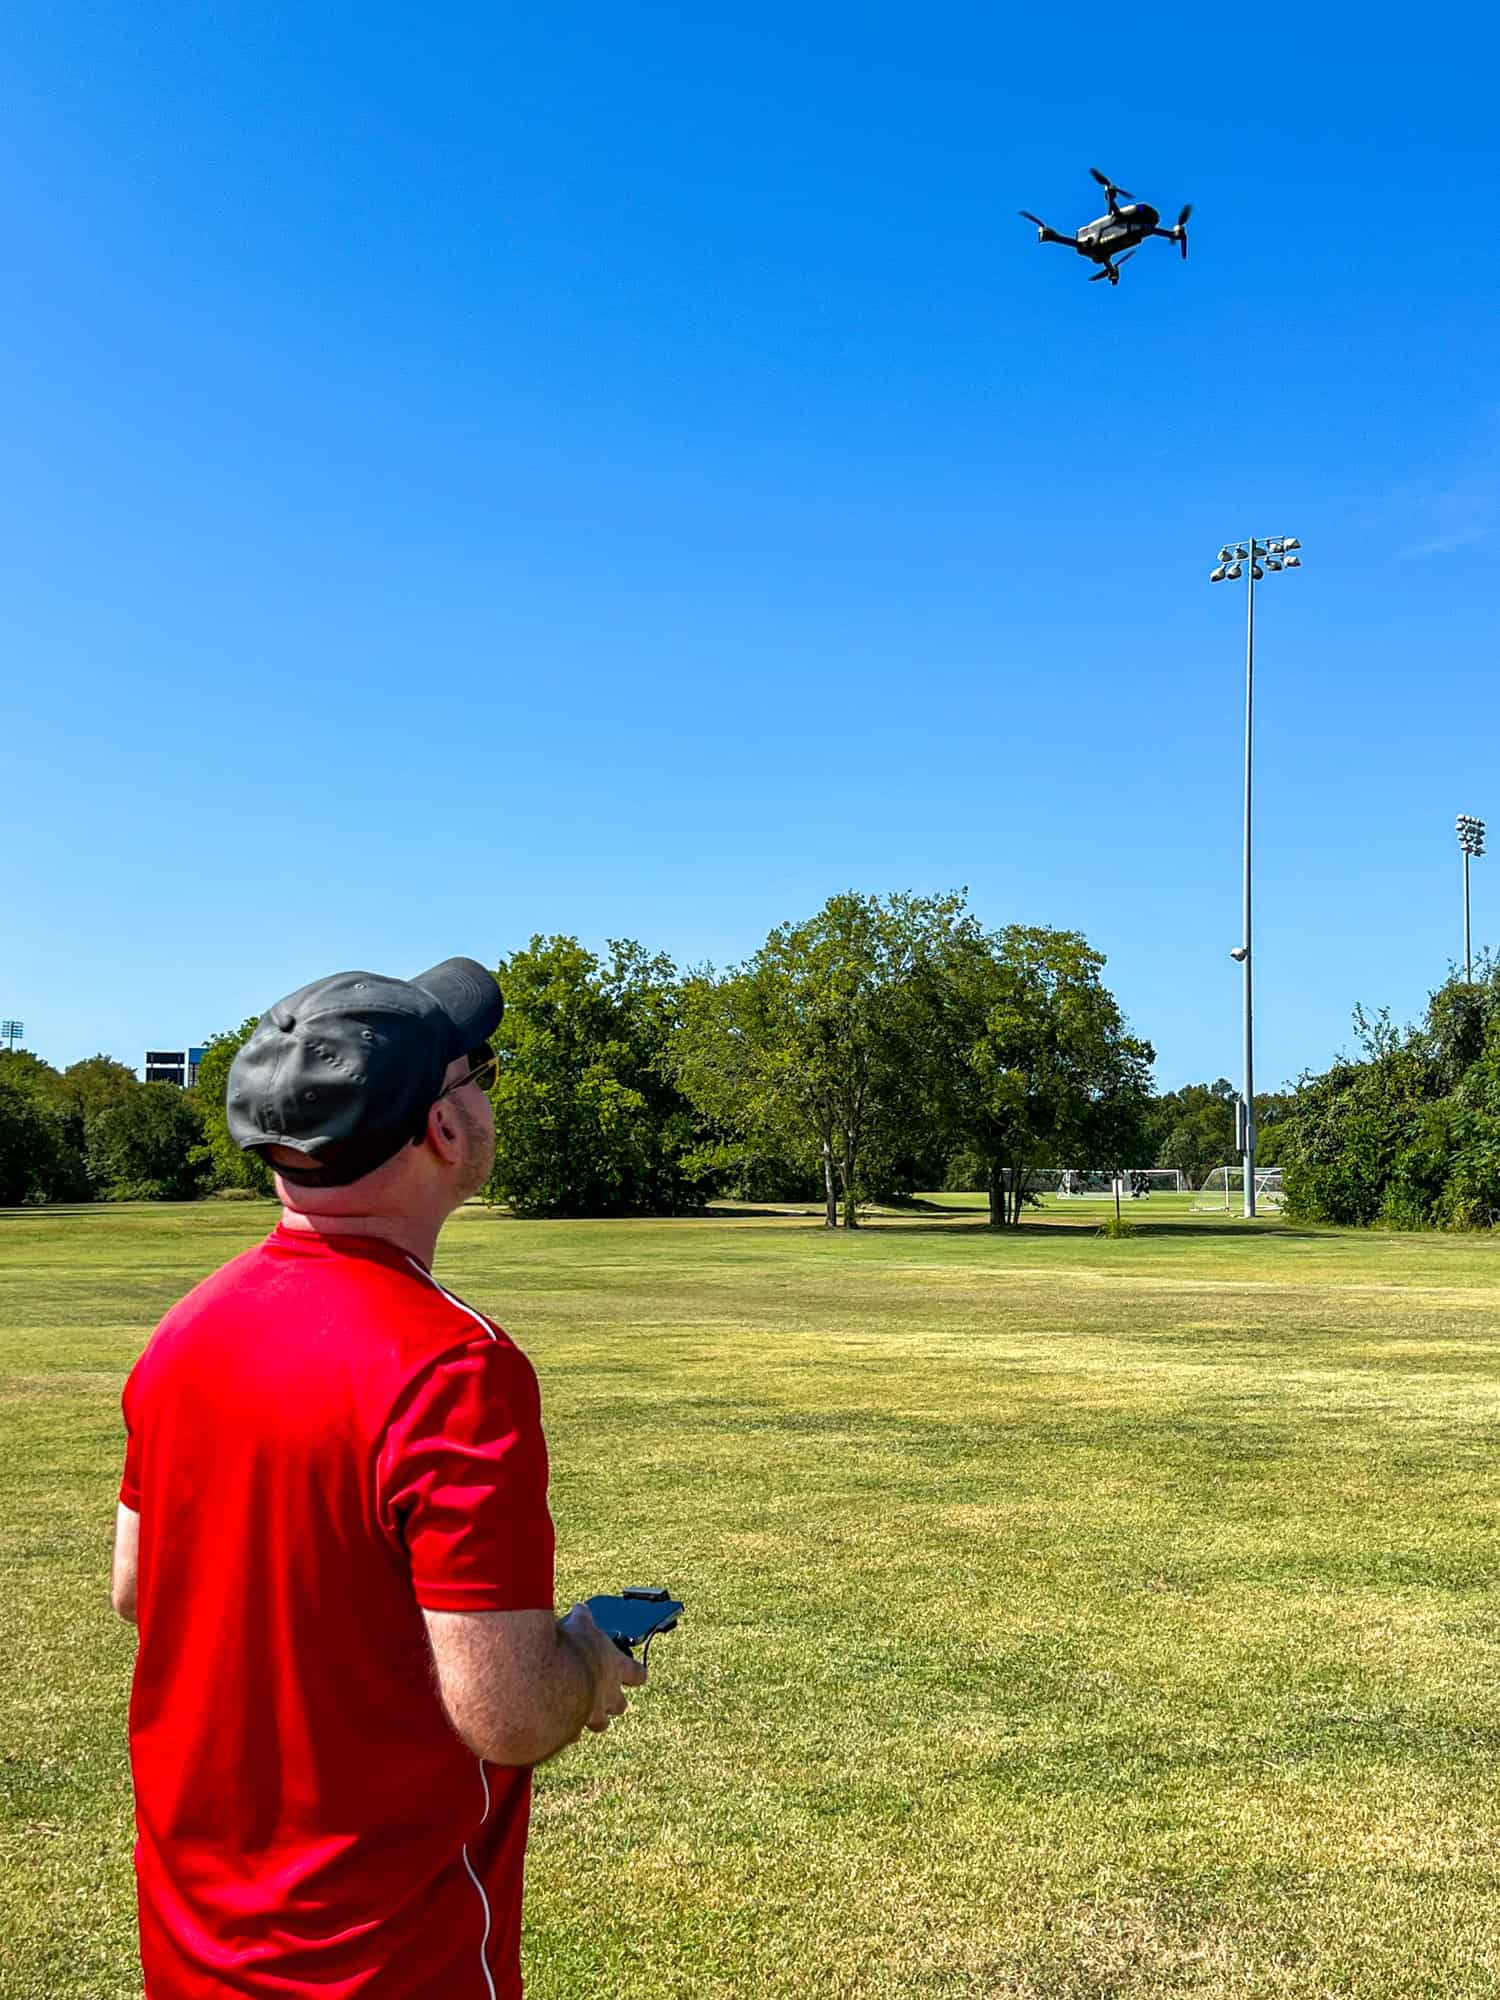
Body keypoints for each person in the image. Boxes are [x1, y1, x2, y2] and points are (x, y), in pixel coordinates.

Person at [111, 957, 645, 2000]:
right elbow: (507, 1712)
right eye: (478, 1071)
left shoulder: (184, 1331)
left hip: (193, 1942)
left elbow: (139, 1589)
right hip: (387, 1955)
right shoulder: (455, 1367)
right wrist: (586, 1654)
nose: (489, 1095)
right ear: (443, 1129)